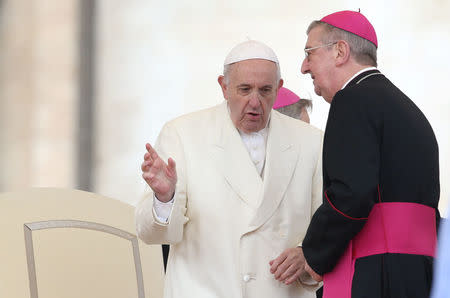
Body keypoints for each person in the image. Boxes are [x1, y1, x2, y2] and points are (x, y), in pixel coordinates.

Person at [135, 40, 323, 298]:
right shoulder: (182, 134)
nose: (255, 102)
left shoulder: (311, 141)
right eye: (244, 90)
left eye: (265, 90)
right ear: (224, 86)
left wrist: (307, 254)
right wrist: (164, 198)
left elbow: (325, 221)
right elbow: (151, 233)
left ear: (279, 88)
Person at [299, 10, 440, 298]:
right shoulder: (405, 106)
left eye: (309, 53)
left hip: (378, 273)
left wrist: (314, 254)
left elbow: (351, 194)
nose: (304, 67)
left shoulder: (352, 100)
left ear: (340, 51)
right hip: (418, 272)